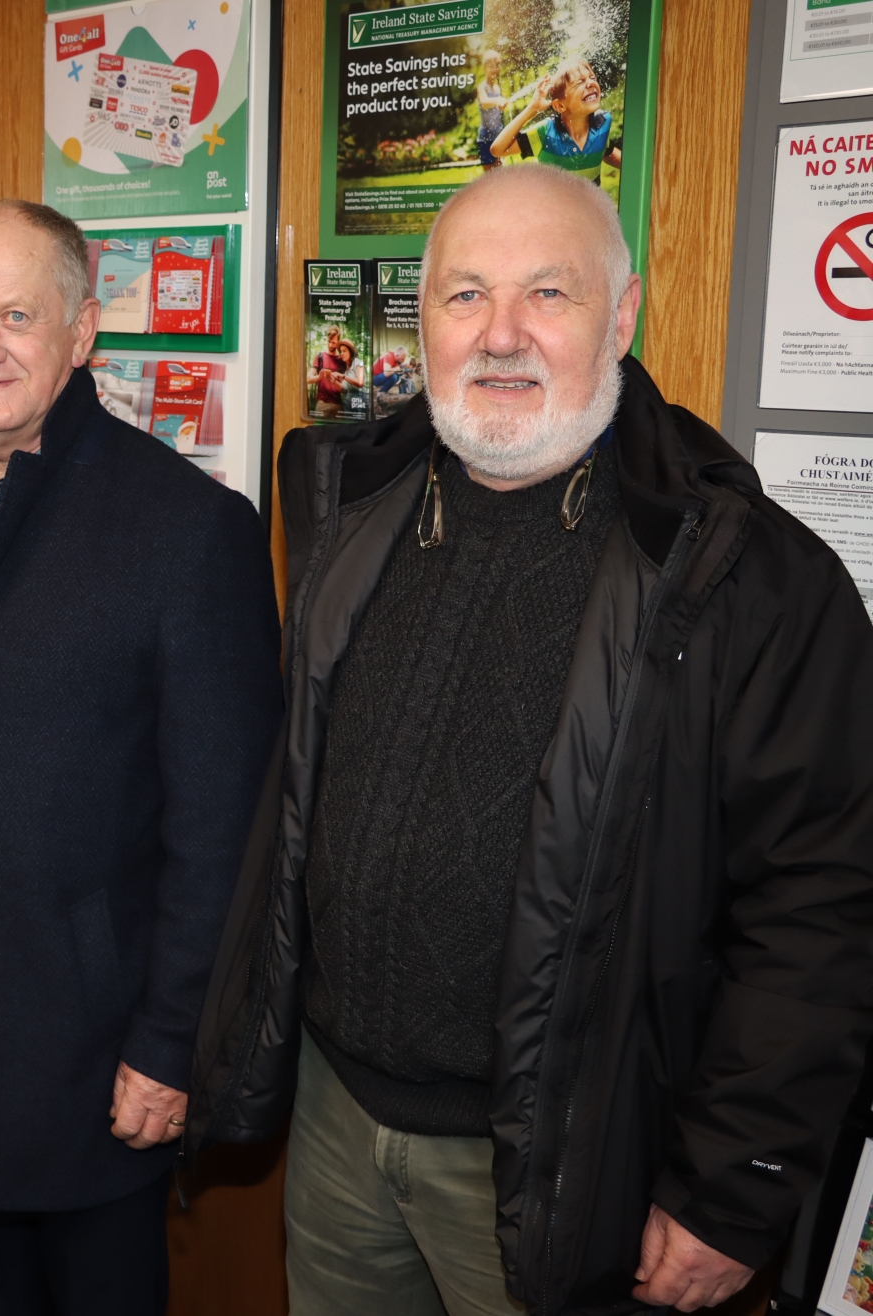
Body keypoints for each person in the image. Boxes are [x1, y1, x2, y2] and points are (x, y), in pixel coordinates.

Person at [190, 164, 873, 1314]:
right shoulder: (347, 500)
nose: (500, 336)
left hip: (561, 1160)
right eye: (464, 296)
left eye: (546, 294)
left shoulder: (745, 575)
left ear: (623, 312)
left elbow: (822, 905)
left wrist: (732, 1184)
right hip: (336, 1120)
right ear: (424, 322)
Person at [0, 199, 282, 1314]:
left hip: (92, 1075)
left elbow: (221, 825)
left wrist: (174, 1039)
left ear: (84, 330)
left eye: (18, 315)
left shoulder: (189, 528)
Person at [491, 61, 623, 183]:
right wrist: (532, 109)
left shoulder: (603, 122)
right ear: (560, 106)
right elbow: (498, 149)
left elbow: (606, 151)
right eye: (579, 82)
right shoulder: (546, 133)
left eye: (592, 77)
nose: (590, 83)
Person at [309, 324, 348, 419]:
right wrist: (319, 377)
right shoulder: (320, 357)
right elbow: (308, 378)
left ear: (338, 342)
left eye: (334, 342)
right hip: (322, 404)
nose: (330, 345)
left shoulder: (342, 360)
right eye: (329, 342)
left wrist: (335, 382)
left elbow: (345, 389)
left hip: (338, 405)